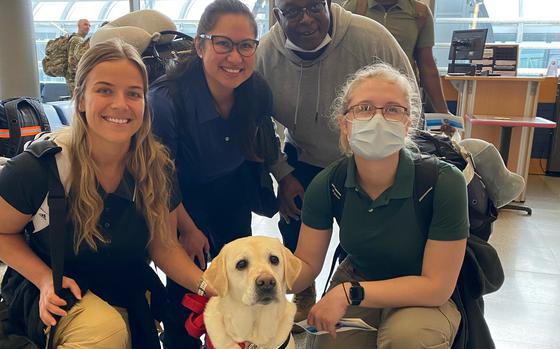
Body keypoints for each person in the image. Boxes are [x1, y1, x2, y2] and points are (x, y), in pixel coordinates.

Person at [0, 39, 213, 349]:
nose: (120, 104)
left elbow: (163, 246)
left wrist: (210, 287)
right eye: (104, 90)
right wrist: (45, 279)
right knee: (103, 330)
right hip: (56, 293)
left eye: (133, 93)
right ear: (81, 99)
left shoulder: (156, 168)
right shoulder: (40, 168)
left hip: (124, 288)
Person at [291, 62, 468, 348]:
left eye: (392, 109)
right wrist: (256, 276)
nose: (378, 119)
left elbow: (436, 287)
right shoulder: (329, 184)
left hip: (421, 293)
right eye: (364, 108)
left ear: (408, 122)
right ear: (344, 123)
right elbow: (306, 265)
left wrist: (348, 293)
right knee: (326, 343)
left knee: (409, 337)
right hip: (361, 275)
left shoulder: (443, 182)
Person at [255, 0, 414, 320]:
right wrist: (283, 174)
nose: (306, 19)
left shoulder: (371, 38)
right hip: (306, 154)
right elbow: (259, 123)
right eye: (292, 11)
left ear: (329, 4)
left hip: (370, 157)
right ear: (277, 15)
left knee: (373, 232)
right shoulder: (266, 55)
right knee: (295, 224)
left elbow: (408, 98)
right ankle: (302, 291)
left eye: (314, 7)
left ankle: (380, 286)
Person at [148, 1, 277, 347]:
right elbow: (160, 179)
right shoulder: (166, 100)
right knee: (187, 298)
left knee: (238, 288)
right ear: (200, 44)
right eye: (223, 43)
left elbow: (263, 143)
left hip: (232, 195)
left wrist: (287, 177)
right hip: (181, 201)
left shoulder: (256, 89)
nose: (235, 58)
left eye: (246, 45)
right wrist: (187, 228)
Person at [343, 0, 451, 114]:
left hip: (402, 100)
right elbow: (341, 59)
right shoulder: (354, 7)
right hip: (362, 99)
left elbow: (427, 66)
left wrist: (443, 112)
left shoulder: (420, 13)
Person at [66, 19, 91, 94]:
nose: (88, 27)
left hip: (75, 78)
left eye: (89, 25)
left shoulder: (78, 39)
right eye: (85, 24)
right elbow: (72, 60)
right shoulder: (76, 40)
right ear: (78, 26)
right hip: (75, 79)